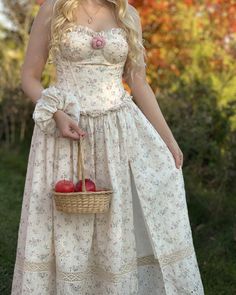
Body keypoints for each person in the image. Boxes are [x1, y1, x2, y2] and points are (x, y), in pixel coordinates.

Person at [11, 0, 205, 294]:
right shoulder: (53, 8)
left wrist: (168, 139)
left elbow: (138, 81)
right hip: (67, 132)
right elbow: (29, 78)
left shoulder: (128, 14)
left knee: (114, 221)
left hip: (118, 132)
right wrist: (57, 114)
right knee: (70, 222)